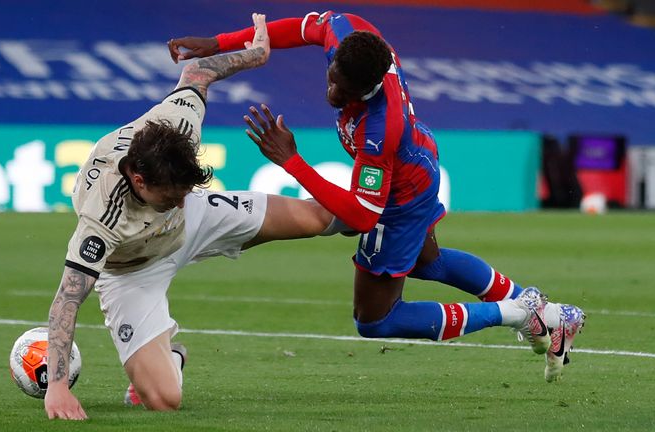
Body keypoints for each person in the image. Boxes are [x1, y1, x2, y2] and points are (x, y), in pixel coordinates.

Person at [168, 11, 585, 382]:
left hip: (400, 197)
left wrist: (291, 161)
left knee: (376, 320)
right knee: (431, 262)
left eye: (343, 91)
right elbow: (303, 27)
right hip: (419, 162)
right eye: (331, 77)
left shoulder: (379, 129)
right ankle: (548, 315)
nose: (331, 92)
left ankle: (519, 313)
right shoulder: (351, 34)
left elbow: (365, 215)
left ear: (367, 88)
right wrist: (222, 42)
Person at [43, 14, 338, 420]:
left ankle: (393, 213)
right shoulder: (103, 217)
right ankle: (171, 356)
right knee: (165, 401)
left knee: (323, 217)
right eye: (171, 196)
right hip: (132, 270)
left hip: (197, 224)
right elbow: (67, 300)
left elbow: (197, 71)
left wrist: (253, 56)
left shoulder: (176, 129)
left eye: (183, 192)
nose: (179, 201)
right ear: (139, 180)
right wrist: (56, 386)